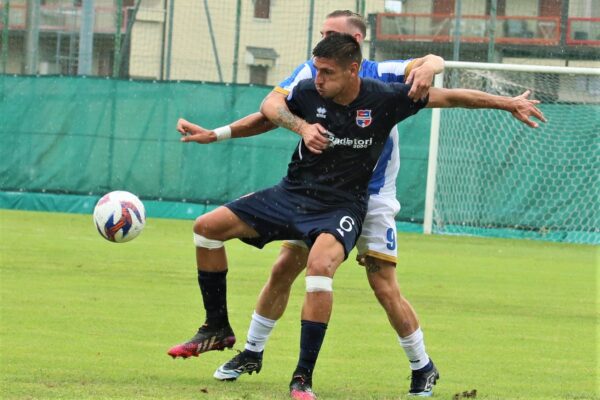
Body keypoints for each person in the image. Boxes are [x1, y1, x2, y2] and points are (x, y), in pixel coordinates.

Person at [168, 11, 546, 398]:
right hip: (304, 194)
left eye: (334, 35)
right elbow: (270, 110)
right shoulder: (313, 79)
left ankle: (420, 366)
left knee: (380, 283)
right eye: (322, 35)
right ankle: (248, 350)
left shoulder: (386, 81)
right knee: (282, 266)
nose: (322, 47)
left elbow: (442, 85)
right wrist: (220, 134)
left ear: (356, 48)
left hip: (370, 196)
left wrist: (491, 95)